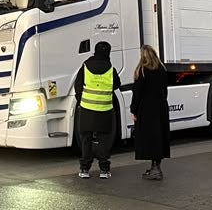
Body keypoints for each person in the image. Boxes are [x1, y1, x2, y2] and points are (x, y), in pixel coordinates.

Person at [73, 41, 121, 180]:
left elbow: (78, 85)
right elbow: (117, 84)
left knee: (86, 139)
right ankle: (104, 170)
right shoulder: (110, 68)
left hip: (87, 109)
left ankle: (85, 169)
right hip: (105, 109)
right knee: (103, 140)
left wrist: (81, 99)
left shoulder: (86, 66)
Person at [130, 45, 171, 180]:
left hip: (146, 109)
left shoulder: (141, 71)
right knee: (159, 136)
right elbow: (165, 91)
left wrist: (133, 110)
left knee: (149, 138)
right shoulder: (162, 70)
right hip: (160, 107)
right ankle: (156, 166)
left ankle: (155, 170)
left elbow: (137, 93)